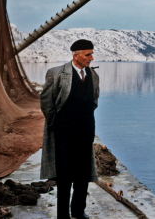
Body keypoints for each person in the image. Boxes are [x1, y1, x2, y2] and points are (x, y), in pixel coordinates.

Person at [40, 39, 100, 219]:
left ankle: (78, 212)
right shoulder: (56, 73)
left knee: (83, 175)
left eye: (92, 53)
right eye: (88, 54)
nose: (92, 57)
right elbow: (46, 101)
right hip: (63, 133)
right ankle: (63, 215)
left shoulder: (93, 76)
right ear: (76, 55)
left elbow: (94, 101)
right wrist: (56, 123)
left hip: (86, 132)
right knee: (64, 176)